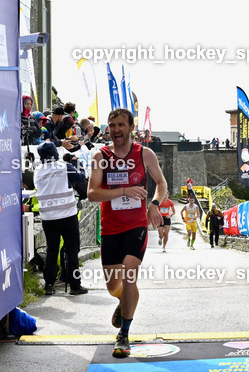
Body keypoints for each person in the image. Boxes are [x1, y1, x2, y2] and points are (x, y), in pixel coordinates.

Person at [87, 108, 168, 358]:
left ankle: (124, 333)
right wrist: (123, 191)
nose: (116, 130)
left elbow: (162, 183)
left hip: (136, 225)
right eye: (112, 125)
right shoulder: (100, 156)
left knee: (130, 276)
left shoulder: (145, 154)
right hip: (110, 228)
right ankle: (122, 302)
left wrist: (154, 205)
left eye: (121, 125)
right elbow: (92, 194)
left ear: (131, 127)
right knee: (114, 286)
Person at [33, 141, 88, 295]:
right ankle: (75, 286)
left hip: (48, 217)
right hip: (68, 215)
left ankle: (49, 285)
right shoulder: (65, 166)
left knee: (52, 250)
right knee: (72, 250)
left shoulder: (37, 170)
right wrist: (77, 165)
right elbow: (80, 179)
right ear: (55, 153)